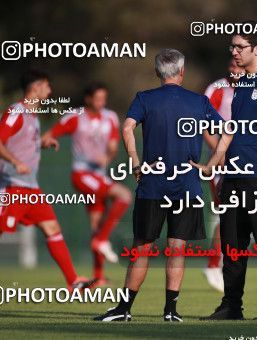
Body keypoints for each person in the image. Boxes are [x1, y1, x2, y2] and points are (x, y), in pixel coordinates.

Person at [93, 49, 231, 322]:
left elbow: (127, 127)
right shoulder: (199, 102)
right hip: (188, 186)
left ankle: (124, 309)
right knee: (177, 248)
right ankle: (171, 311)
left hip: (153, 184)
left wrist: (134, 161)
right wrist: (211, 165)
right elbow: (228, 130)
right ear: (182, 72)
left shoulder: (145, 99)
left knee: (142, 248)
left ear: (157, 72)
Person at [196, 24, 257, 321]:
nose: (234, 52)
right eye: (232, 47)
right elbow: (231, 132)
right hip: (233, 177)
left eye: (240, 47)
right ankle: (231, 306)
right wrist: (214, 163)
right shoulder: (240, 86)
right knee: (232, 244)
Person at [0, 70, 92, 291]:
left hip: (30, 188)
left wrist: (41, 143)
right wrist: (15, 162)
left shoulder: (33, 116)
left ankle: (73, 281)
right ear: (37, 87)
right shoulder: (16, 112)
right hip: (11, 186)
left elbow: (20, 143)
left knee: (52, 228)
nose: (50, 91)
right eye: (47, 86)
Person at [41, 82, 132, 286]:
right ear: (88, 99)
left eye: (104, 98)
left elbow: (112, 147)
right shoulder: (75, 117)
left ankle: (98, 276)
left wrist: (107, 158)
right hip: (82, 174)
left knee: (97, 224)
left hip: (99, 175)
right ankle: (102, 240)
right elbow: (49, 135)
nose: (101, 102)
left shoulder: (110, 117)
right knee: (124, 195)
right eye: (97, 98)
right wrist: (47, 141)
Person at [202, 57, 244, 293]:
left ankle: (223, 263)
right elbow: (203, 124)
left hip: (245, 161)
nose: (234, 69)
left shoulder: (253, 89)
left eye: (238, 66)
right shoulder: (218, 89)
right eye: (231, 66)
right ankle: (213, 264)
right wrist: (219, 152)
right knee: (226, 213)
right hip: (222, 162)